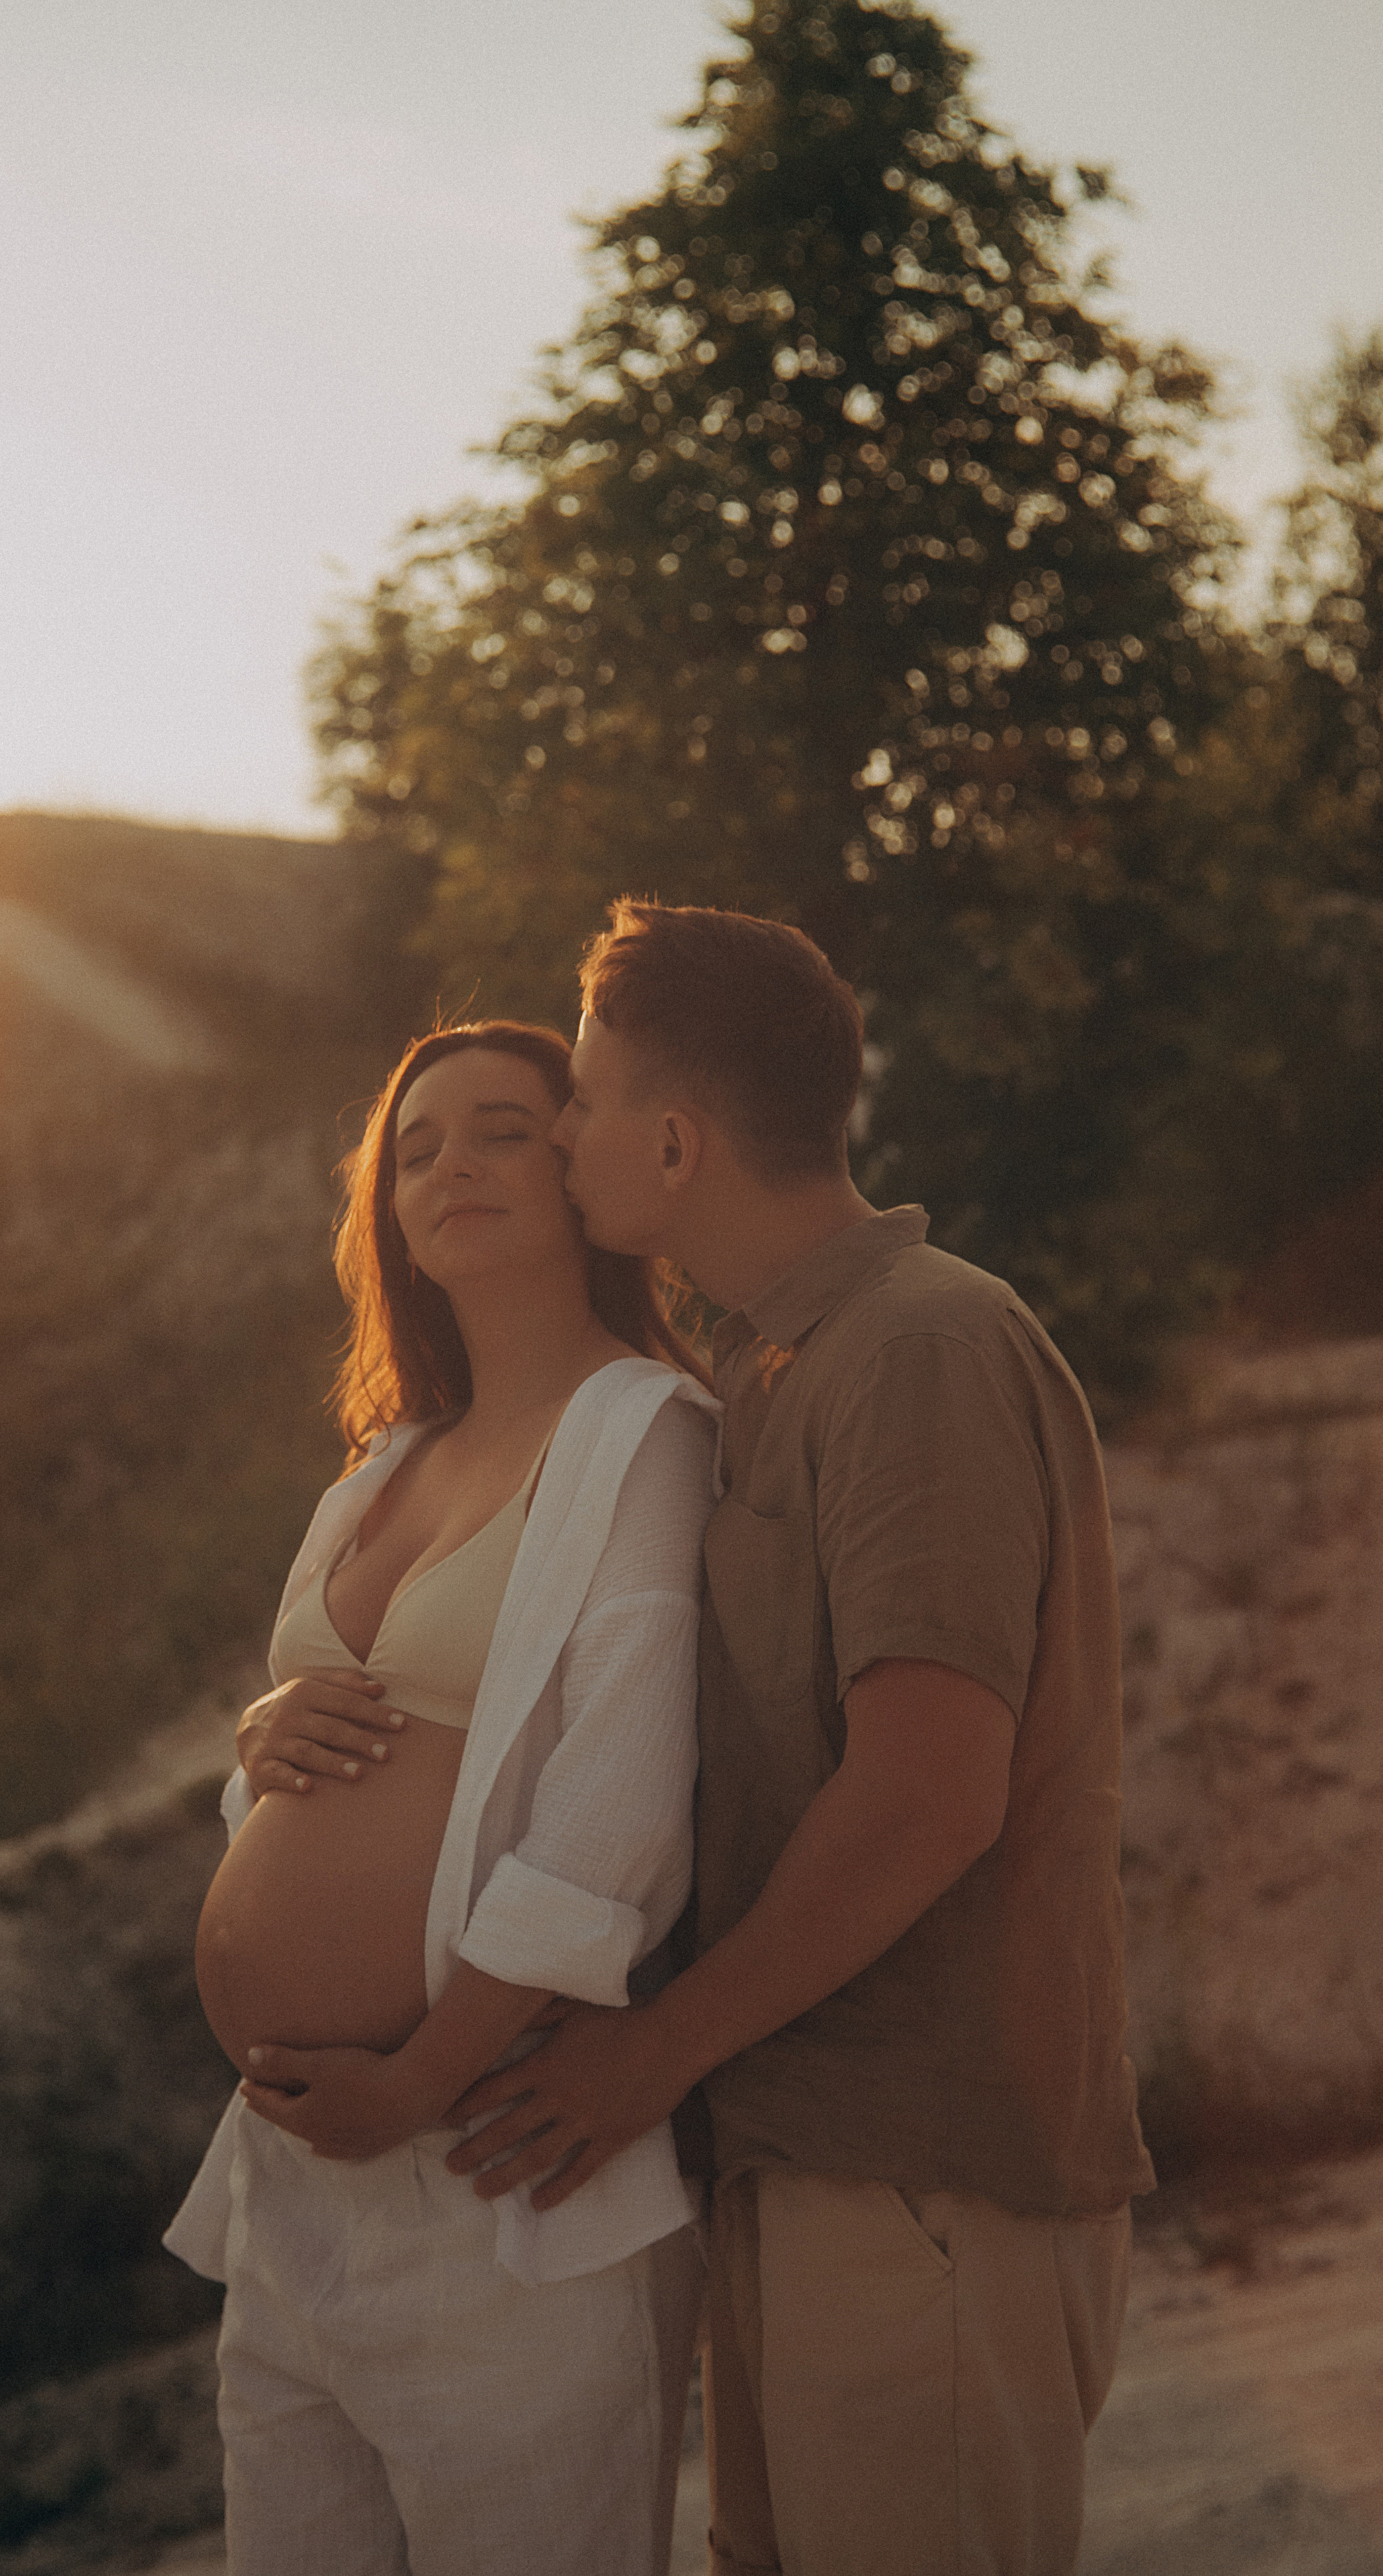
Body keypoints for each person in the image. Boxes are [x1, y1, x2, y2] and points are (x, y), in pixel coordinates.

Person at [431, 901, 1157, 2576]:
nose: (559, 1133)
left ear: (674, 1140)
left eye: (586, 1100)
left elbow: (924, 1794)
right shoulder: (770, 1370)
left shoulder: (919, 1346)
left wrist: (649, 2051)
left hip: (922, 2178)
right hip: (802, 2157)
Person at [164, 1018, 720, 2576]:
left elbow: (616, 1815)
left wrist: (417, 2084)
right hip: (291, 2191)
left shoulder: (644, 1436)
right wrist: (261, 1736)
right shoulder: (380, 1466)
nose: (451, 1164)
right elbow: (309, 1782)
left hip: (495, 2167)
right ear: (385, 1213)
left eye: (497, 1129)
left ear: (578, 1163)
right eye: (415, 1148)